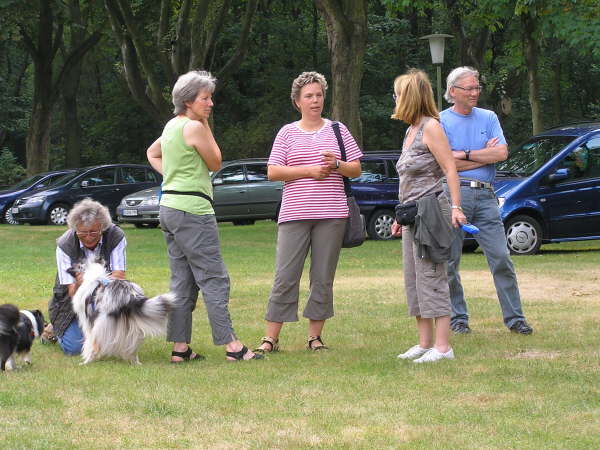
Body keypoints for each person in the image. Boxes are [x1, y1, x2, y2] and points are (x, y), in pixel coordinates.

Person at [146, 70, 261, 362]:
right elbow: (216, 161)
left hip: (169, 208)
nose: (210, 104)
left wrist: (172, 176)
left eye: (210, 99)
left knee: (182, 282)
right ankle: (232, 346)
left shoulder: (171, 126)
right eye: (205, 99)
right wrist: (206, 124)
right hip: (193, 212)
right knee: (214, 278)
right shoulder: (194, 127)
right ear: (188, 101)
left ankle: (180, 348)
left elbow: (152, 153)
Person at [254, 71, 362, 353]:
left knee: (322, 278)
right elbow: (273, 171)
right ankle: (270, 338)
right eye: (309, 96)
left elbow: (357, 169)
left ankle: (315, 337)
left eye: (319, 95)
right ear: (297, 101)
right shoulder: (287, 132)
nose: (315, 101)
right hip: (294, 215)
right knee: (285, 276)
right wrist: (309, 171)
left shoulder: (338, 129)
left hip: (333, 214)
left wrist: (337, 164)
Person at [440, 66, 533, 335]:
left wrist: (462, 156)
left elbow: (501, 153)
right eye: (469, 88)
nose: (474, 93)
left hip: (486, 196)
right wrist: (481, 154)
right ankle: (458, 320)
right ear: (452, 91)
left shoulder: (489, 117)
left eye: (477, 87)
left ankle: (515, 319)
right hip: (453, 196)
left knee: (502, 257)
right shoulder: (440, 120)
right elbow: (444, 165)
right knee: (449, 263)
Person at [390, 69, 467, 363]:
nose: (394, 99)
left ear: (408, 97)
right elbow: (407, 181)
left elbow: (450, 168)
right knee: (414, 279)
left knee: (433, 275)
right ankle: (424, 343)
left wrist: (456, 207)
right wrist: (400, 216)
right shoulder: (410, 131)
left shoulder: (431, 127)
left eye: (397, 94)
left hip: (432, 211)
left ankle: (443, 347)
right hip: (412, 214)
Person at [48, 198, 126, 355]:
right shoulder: (64, 244)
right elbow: (71, 292)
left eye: (93, 232)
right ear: (75, 229)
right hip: (73, 302)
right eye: (82, 232)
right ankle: (53, 330)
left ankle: (101, 326)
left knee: (108, 343)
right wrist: (79, 283)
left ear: (102, 228)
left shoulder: (115, 236)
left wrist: (99, 284)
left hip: (106, 296)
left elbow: (119, 276)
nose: (88, 236)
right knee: (75, 348)